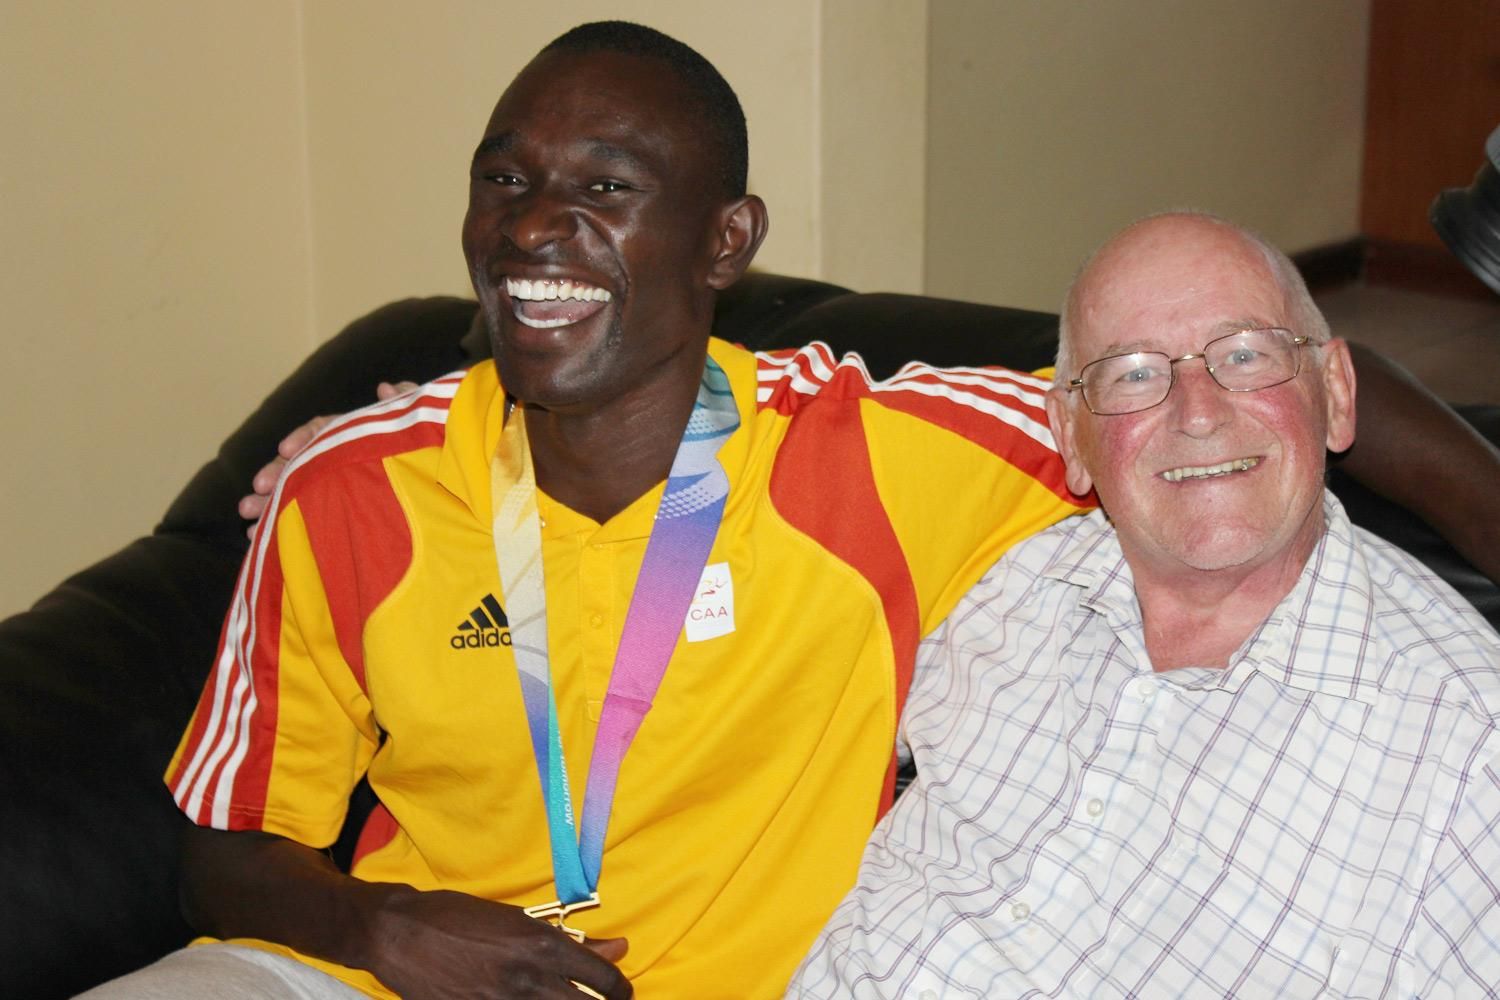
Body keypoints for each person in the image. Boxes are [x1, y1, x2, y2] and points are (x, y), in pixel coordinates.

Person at [84, 22, 1093, 1000]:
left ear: (726, 241)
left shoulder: (873, 457)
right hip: (377, 975)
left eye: (605, 186)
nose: (528, 226)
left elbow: (1175, 399)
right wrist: (386, 925)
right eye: (505, 180)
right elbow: (221, 850)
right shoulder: (352, 488)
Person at [789, 213, 1500, 999]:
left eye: (1245, 355)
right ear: (1071, 434)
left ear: (1334, 392)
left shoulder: (1464, 755)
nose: (1196, 411)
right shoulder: (989, 585)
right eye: (1132, 373)